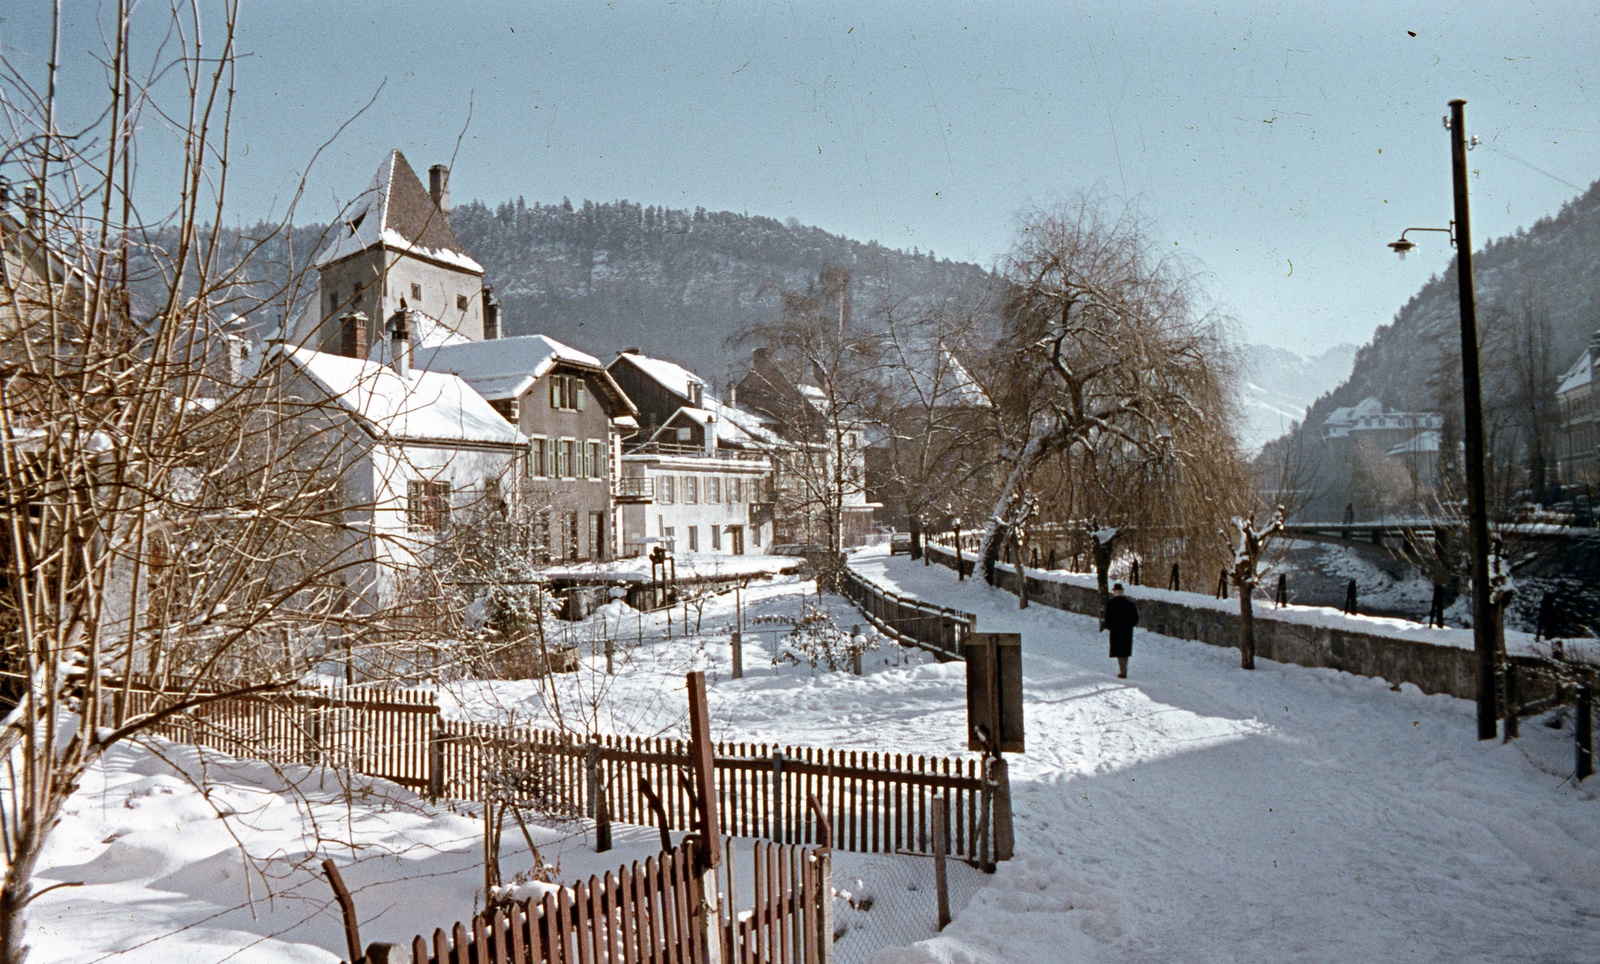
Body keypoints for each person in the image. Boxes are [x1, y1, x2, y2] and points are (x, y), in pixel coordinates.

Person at [1104, 582, 1139, 679]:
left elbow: (1108, 618)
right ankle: (1124, 669)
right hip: (1127, 630)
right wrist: (1129, 625)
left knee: (1119, 651)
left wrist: (1111, 626)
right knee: (1125, 650)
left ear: (1115, 592)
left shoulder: (1111, 604)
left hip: (1116, 630)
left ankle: (1123, 671)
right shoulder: (1130, 604)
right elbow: (1135, 618)